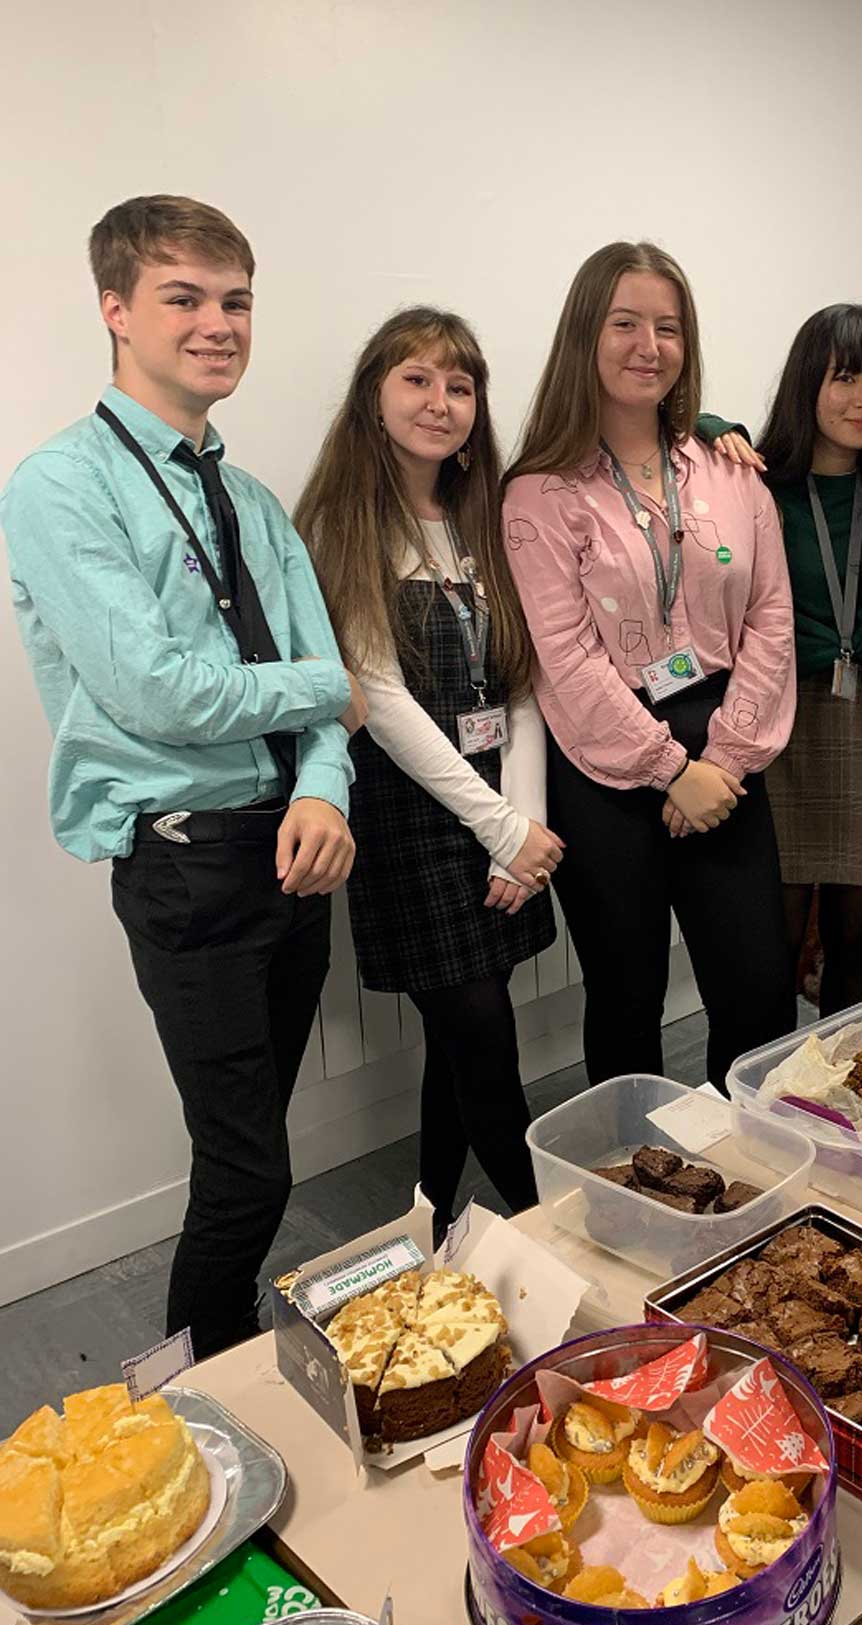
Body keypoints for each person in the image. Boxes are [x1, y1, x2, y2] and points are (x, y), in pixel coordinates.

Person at [0, 196, 366, 1357]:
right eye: (185, 299)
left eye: (236, 300)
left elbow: (321, 678)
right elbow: (163, 695)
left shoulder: (253, 500)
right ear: (115, 310)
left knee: (261, 1150)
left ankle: (234, 1364)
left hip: (293, 851)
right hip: (187, 863)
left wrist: (325, 788)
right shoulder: (58, 487)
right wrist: (325, 694)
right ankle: (198, 1400)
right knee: (248, 1174)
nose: (219, 324)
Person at [503, 242, 797, 1090]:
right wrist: (670, 769)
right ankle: (635, 1200)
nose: (649, 345)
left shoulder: (729, 468)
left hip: (727, 743)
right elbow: (564, 658)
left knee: (757, 993)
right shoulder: (539, 493)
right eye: (624, 323)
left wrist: (724, 758)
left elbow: (772, 615)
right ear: (584, 338)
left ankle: (751, 1186)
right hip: (605, 763)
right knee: (627, 997)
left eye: (668, 328)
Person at [295, 308, 561, 1231]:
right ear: (374, 396)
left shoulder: (487, 516)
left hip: (499, 825)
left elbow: (523, 681)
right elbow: (378, 699)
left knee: (463, 1044)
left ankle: (434, 1220)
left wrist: (520, 827)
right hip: (414, 823)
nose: (439, 403)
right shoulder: (341, 525)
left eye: (459, 385)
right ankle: (549, 1232)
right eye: (415, 380)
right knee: (485, 1042)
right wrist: (499, 826)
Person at [705, 306, 862, 1016]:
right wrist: (716, 431)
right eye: (845, 378)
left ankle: (841, 1115)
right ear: (809, 382)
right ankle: (765, 1110)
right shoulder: (757, 483)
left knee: (854, 950)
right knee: (771, 948)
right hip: (778, 727)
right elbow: (679, 432)